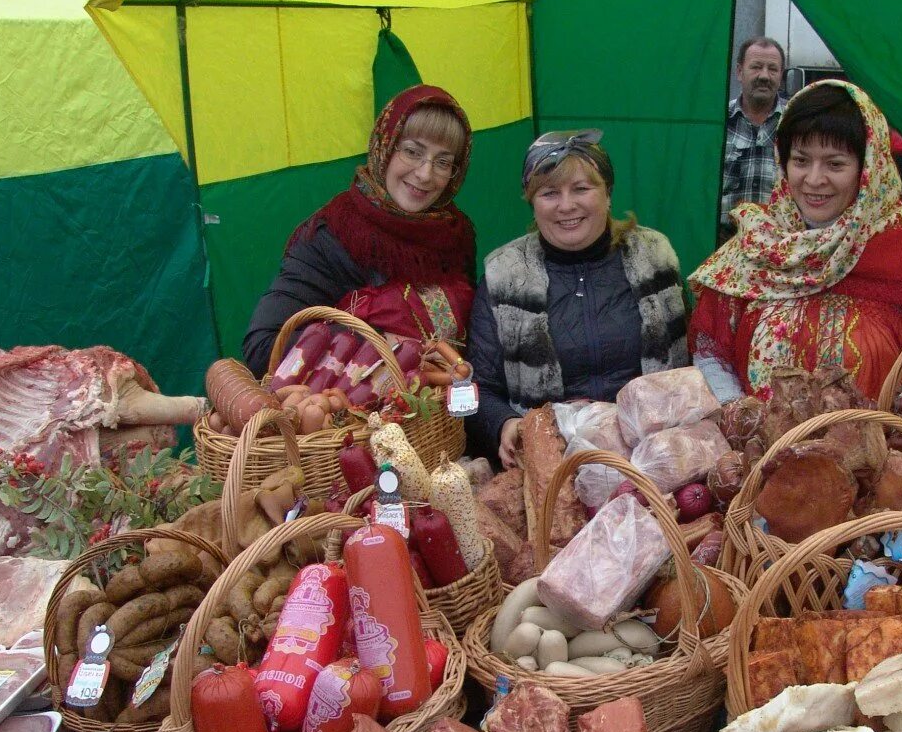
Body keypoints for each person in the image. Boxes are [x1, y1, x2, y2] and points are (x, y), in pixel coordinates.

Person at [690, 79, 902, 403]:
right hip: (760, 451)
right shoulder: (757, 245)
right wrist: (739, 415)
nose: (814, 179)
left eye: (835, 164)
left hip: (884, 450)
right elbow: (711, 354)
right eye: (801, 160)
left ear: (867, 168)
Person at [468, 130, 688, 468]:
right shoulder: (504, 276)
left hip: (652, 458)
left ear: (608, 194)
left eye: (582, 189)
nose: (566, 205)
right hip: (551, 465)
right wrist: (504, 423)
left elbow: (692, 362)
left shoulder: (654, 258)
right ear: (532, 201)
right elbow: (479, 387)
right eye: (550, 193)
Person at [242, 85, 477, 376]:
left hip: (443, 418)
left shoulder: (454, 233)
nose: (425, 174)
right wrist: (378, 343)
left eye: (443, 162)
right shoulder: (330, 238)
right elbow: (264, 347)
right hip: (364, 417)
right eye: (412, 151)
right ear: (385, 147)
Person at [719, 37, 787, 241]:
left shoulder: (798, 123)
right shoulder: (718, 121)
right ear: (739, 72)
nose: (764, 76)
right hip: (719, 245)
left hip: (780, 246)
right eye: (756, 67)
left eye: (773, 69)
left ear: (781, 75)